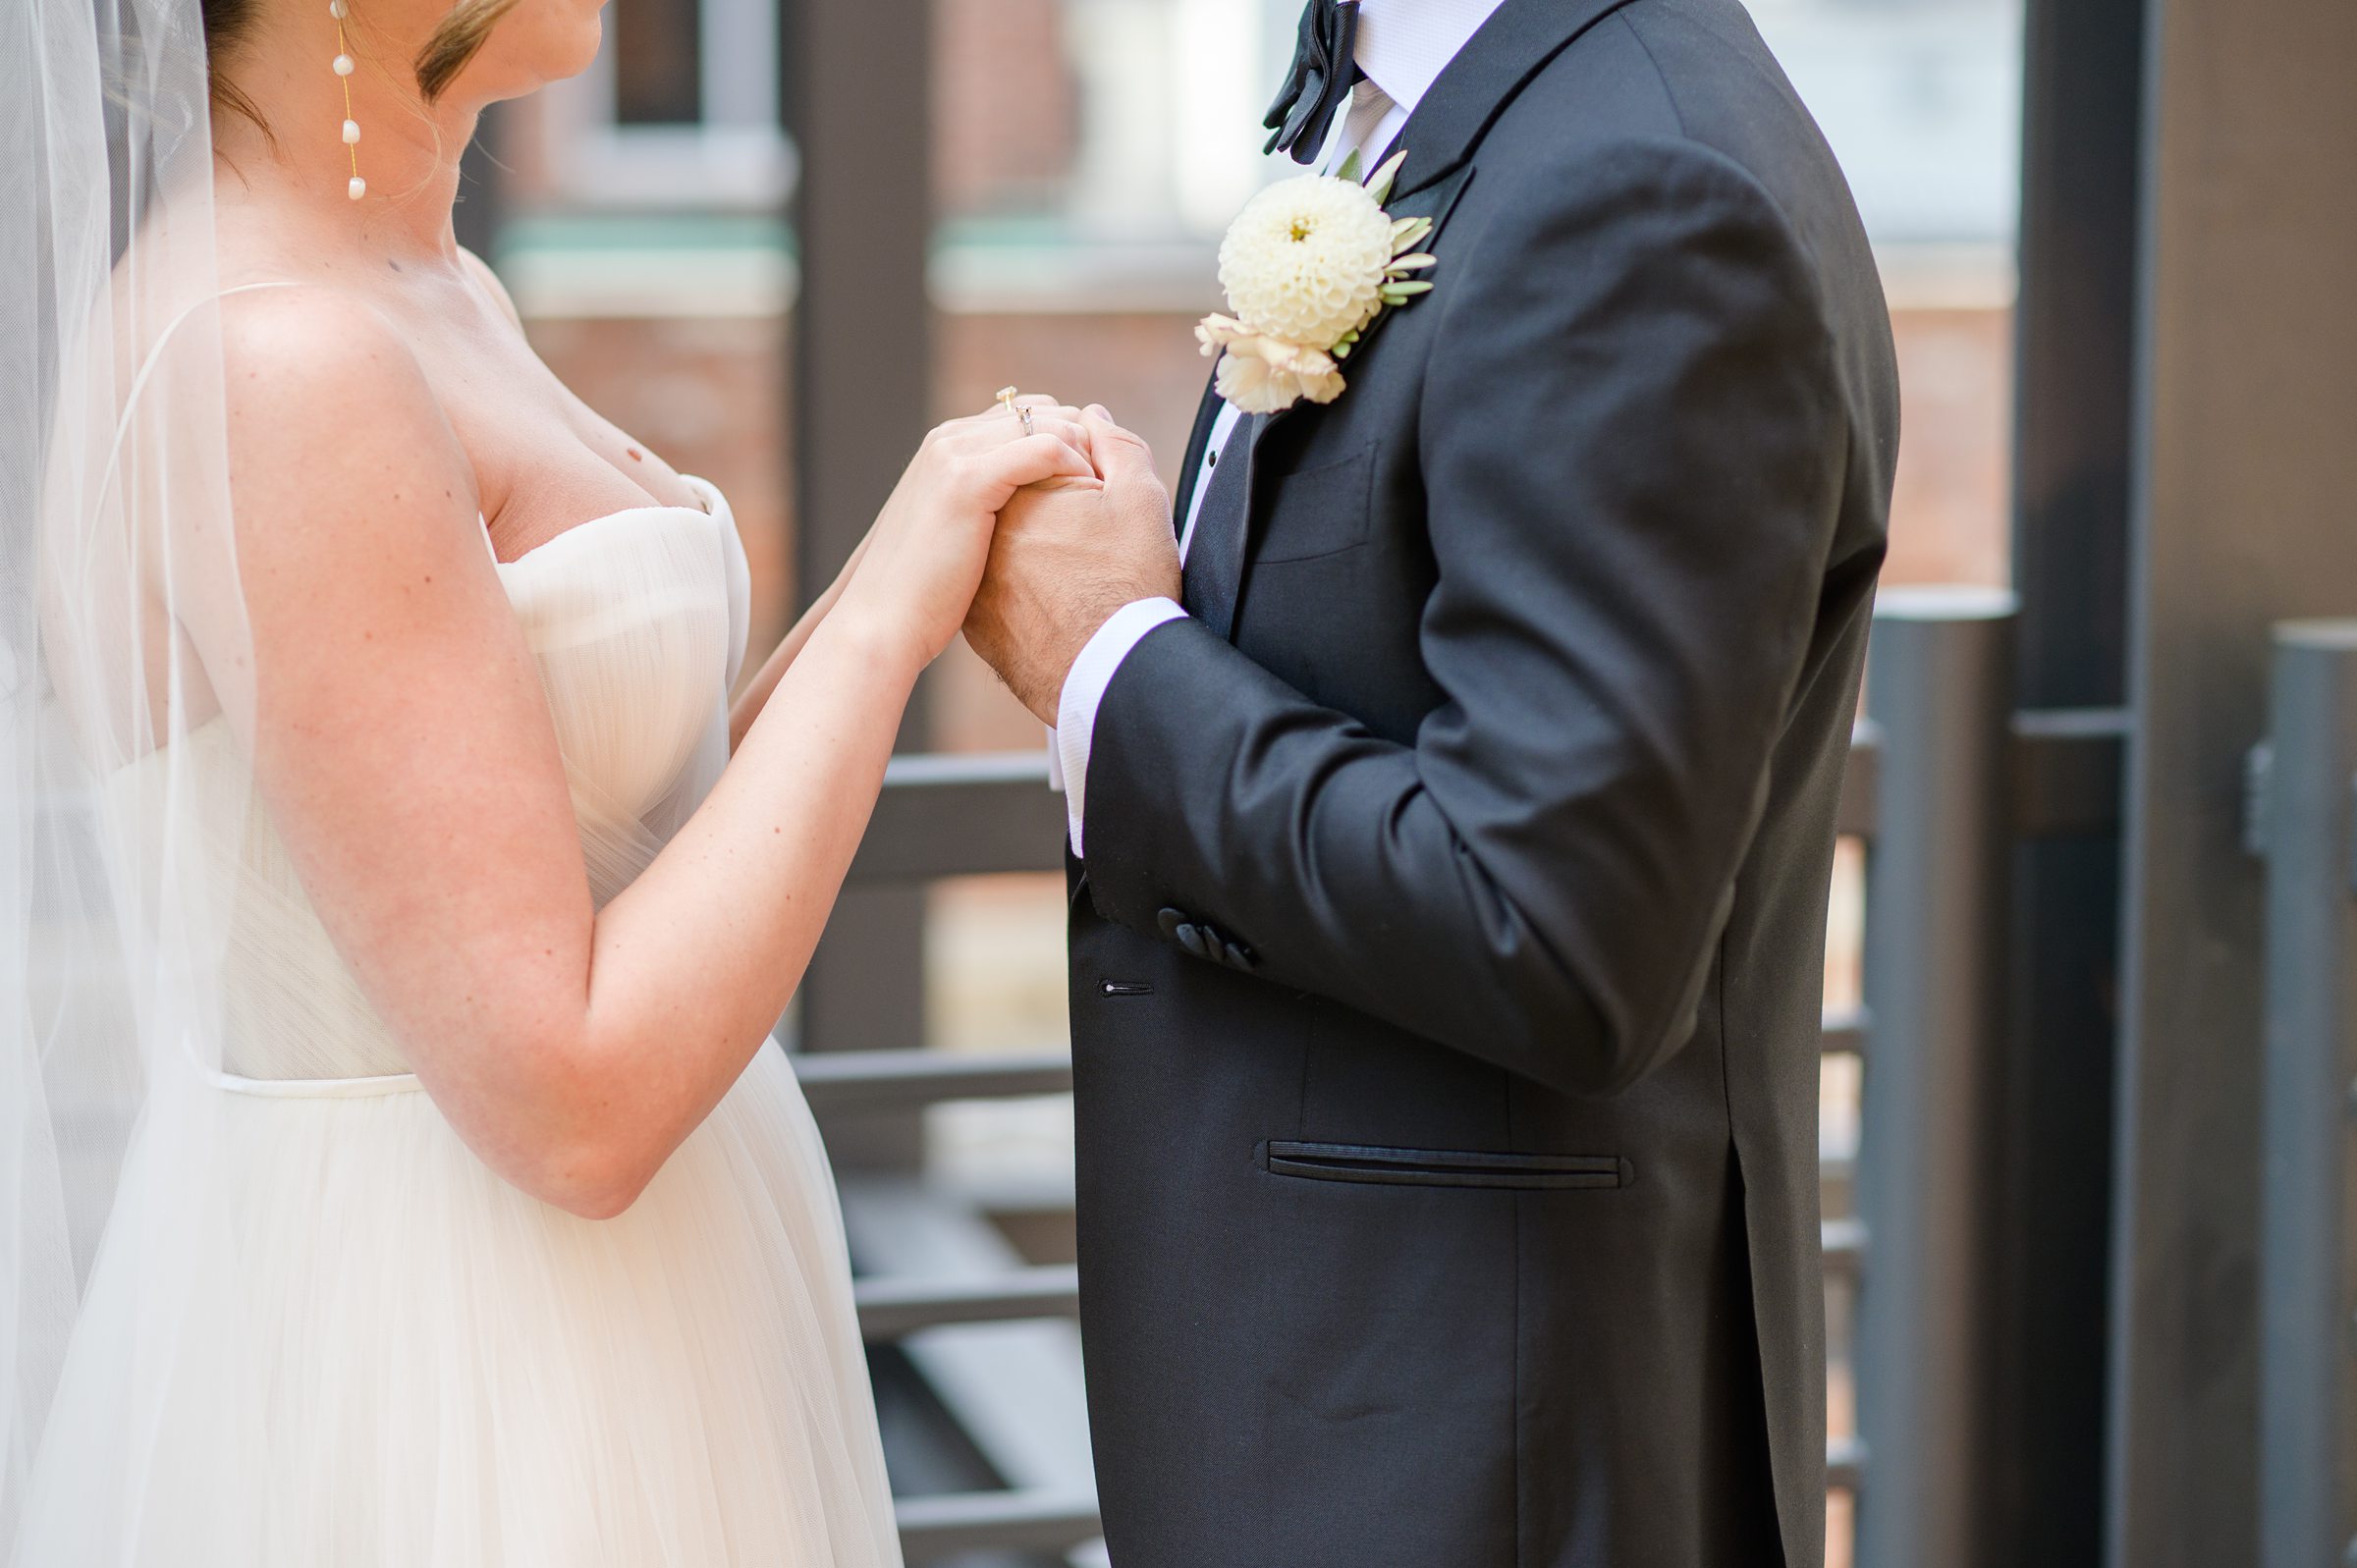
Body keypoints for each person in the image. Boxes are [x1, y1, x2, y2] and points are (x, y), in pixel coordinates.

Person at [0, 0, 1144, 1559]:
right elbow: (572, 1101)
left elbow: (618, 847)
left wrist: (932, 541)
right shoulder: (280, 360)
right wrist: (885, 622)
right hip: (455, 1355)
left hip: (652, 1307)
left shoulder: (434, 289)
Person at [960, 0, 1899, 1563]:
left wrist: (1114, 670)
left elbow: (1553, 921)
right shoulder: (1471, 112)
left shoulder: (1643, 189)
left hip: (1471, 1459)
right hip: (1356, 1407)